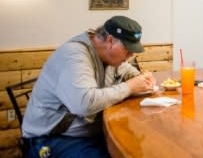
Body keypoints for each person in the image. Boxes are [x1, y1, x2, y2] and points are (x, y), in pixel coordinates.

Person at [22, 16, 156, 158]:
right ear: (110, 41)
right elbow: (84, 104)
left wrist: (141, 78)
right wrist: (130, 87)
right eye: (128, 50)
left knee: (141, 147)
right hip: (52, 138)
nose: (131, 55)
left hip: (90, 132)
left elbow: (127, 70)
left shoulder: (109, 56)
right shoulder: (74, 56)